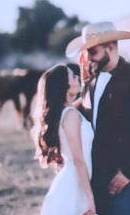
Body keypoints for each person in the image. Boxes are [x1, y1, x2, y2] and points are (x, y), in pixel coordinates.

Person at [67, 24, 130, 215]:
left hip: (121, 172)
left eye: (93, 51)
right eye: (86, 52)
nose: (88, 57)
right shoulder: (91, 77)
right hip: (95, 170)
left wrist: (128, 171)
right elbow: (88, 111)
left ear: (110, 47)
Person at [35, 61, 94, 215]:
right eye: (73, 76)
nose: (78, 78)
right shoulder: (71, 115)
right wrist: (90, 198)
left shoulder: (67, 112)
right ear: (65, 86)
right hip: (74, 184)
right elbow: (78, 160)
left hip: (75, 181)